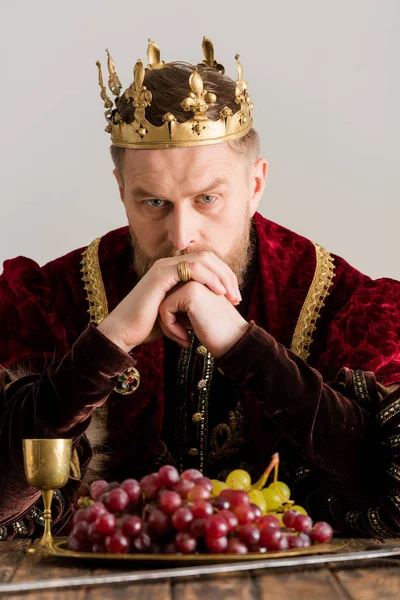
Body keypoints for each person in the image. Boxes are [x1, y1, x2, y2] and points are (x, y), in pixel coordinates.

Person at [1, 38, 400, 542]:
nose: (181, 236)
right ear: (121, 190)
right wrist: (111, 340)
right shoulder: (50, 299)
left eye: (207, 197)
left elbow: (385, 489)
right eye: (152, 202)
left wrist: (245, 348)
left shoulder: (348, 305)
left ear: (256, 184)